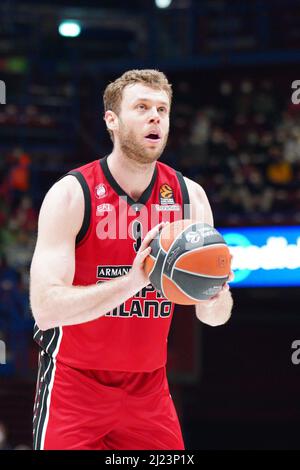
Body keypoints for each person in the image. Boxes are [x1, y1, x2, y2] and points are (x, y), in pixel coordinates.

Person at [30, 69, 233, 450]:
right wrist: (134, 281)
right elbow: (45, 309)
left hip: (150, 388)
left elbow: (213, 317)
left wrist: (217, 289)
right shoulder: (72, 194)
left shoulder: (191, 198)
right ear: (112, 120)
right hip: (75, 384)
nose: (155, 117)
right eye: (141, 107)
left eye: (162, 109)